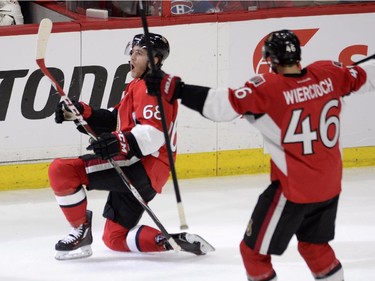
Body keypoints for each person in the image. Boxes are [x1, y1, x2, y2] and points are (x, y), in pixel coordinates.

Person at [145, 30, 375, 281]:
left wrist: (174, 88)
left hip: (294, 189)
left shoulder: (269, 89)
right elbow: (368, 73)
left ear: (271, 60)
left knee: (252, 253)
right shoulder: (330, 73)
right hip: (330, 184)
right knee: (314, 247)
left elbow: (221, 106)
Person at [49, 33, 213, 260]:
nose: (132, 58)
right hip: (148, 172)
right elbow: (114, 119)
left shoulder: (152, 87)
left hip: (142, 165)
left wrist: (119, 141)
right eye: (132, 52)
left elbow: (154, 132)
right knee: (114, 238)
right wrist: (81, 113)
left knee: (62, 170)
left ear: (155, 60)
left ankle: (80, 230)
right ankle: (166, 241)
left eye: (139, 53)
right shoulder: (138, 85)